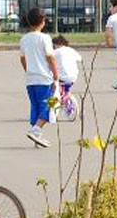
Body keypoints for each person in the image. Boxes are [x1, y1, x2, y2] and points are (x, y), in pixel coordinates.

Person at [19, 8, 59, 148]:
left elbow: (22, 59)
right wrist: (56, 75)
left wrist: (28, 70)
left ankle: (37, 134)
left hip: (31, 79)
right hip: (44, 78)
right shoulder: (44, 38)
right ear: (42, 21)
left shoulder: (24, 39)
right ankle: (35, 130)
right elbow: (50, 57)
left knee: (35, 106)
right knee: (50, 104)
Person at [52, 35, 82, 101]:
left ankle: (53, 107)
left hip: (62, 77)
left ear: (56, 44)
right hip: (73, 77)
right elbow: (80, 59)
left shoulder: (55, 52)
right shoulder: (71, 50)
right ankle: (66, 97)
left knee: (53, 92)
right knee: (64, 89)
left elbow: (49, 61)